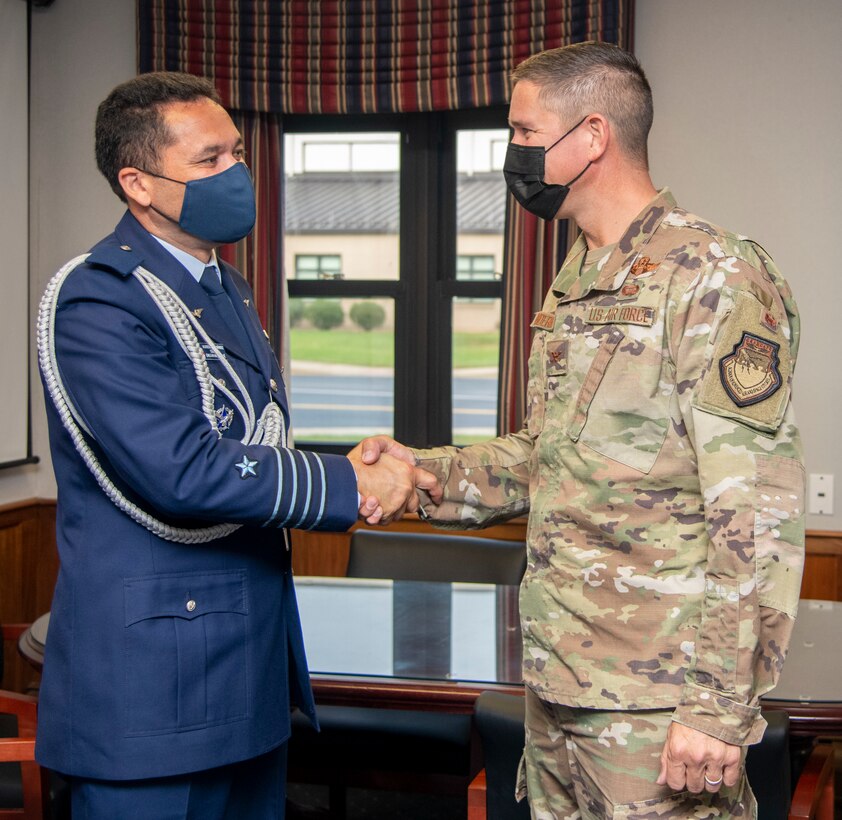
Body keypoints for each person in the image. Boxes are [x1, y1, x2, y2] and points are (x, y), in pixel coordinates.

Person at [362, 42, 805, 818]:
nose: (513, 152)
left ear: (592, 135)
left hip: (658, 707)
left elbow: (754, 513)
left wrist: (716, 709)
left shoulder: (711, 274)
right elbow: (547, 458)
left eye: (525, 132)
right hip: (560, 684)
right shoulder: (581, 278)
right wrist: (421, 473)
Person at [36, 71, 435, 819]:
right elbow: (182, 470)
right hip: (157, 687)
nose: (236, 173)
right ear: (138, 184)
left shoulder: (225, 288)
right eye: (209, 159)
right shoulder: (100, 298)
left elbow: (250, 438)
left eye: (238, 153)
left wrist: (355, 467)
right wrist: (350, 484)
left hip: (245, 672)